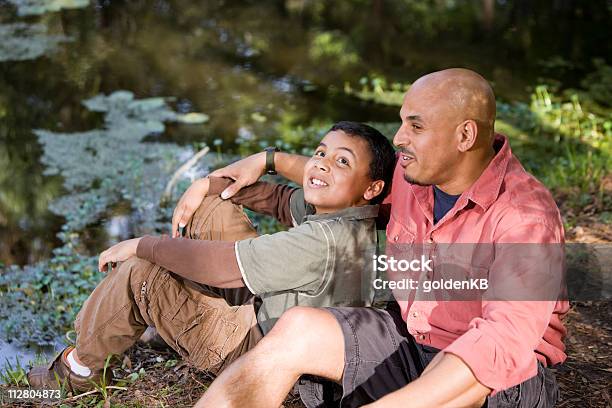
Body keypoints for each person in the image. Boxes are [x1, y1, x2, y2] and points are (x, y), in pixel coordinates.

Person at [194, 69, 569, 408]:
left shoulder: (526, 215)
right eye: (402, 122)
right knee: (298, 327)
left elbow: (501, 343)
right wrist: (267, 159)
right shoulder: (414, 179)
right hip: (412, 342)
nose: (399, 138)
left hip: (498, 382)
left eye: (416, 127)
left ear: (465, 136)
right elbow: (346, 179)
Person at [26, 121, 397, 393]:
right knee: (214, 204)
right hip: (270, 314)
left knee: (142, 273)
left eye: (342, 162)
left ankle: (78, 373)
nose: (321, 164)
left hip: (257, 352)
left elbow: (223, 267)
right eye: (320, 153)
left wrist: (142, 244)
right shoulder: (349, 214)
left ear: (372, 187)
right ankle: (174, 316)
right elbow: (282, 201)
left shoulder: (324, 242)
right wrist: (209, 184)